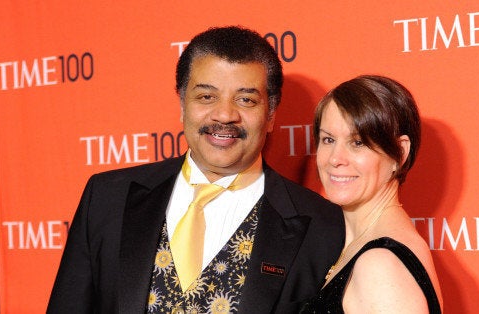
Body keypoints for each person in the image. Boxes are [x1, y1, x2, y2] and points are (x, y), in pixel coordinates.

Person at [47, 25, 345, 314]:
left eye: (245, 100)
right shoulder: (107, 198)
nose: (225, 115)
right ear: (181, 104)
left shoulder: (322, 227)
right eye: (206, 96)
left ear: (270, 115)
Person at [300, 75, 443, 313]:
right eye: (328, 139)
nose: (335, 159)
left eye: (357, 143)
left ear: (399, 153)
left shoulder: (379, 265)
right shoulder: (365, 246)